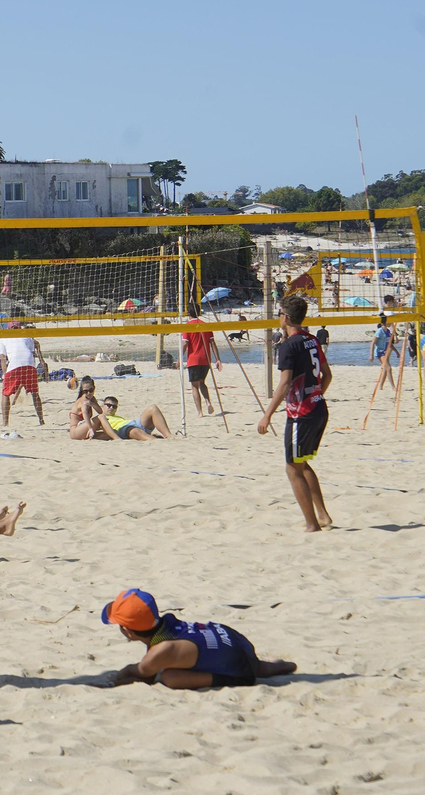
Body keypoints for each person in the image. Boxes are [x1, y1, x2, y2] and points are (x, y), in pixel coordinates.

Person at [103, 588, 296, 689]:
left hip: (237, 663)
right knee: (241, 661)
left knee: (169, 677)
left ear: (128, 631)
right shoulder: (167, 623)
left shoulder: (159, 651)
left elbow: (142, 674)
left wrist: (115, 679)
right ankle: (272, 666)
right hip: (235, 640)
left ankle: (247, 675)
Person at [257, 295, 332, 533]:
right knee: (302, 462)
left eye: (279, 312)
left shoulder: (289, 345)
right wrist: (316, 393)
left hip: (302, 412)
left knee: (292, 467)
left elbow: (284, 383)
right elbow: (327, 375)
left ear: (286, 317)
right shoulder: (312, 339)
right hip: (319, 407)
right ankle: (323, 516)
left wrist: (267, 414)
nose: (278, 316)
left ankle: (312, 525)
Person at [0, 324, 45, 437]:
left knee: (5, 393)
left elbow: (3, 359)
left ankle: (5, 422)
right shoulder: (26, 336)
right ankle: (41, 420)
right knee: (35, 393)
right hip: (29, 365)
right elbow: (31, 353)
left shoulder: (3, 338)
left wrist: (4, 375)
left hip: (16, 365)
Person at [182, 316, 220, 417]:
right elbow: (212, 343)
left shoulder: (188, 326)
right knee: (202, 382)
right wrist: (218, 359)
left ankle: (200, 412)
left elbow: (185, 343)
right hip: (205, 359)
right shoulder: (205, 325)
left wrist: (179, 358)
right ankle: (208, 402)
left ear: (188, 314)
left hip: (193, 359)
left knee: (194, 386)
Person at [98, 395, 174, 439]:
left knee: (153, 408)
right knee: (134, 430)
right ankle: (153, 440)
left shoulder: (118, 417)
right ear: (102, 406)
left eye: (114, 406)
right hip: (124, 429)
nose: (111, 408)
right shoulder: (101, 418)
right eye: (109, 405)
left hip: (133, 423)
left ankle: (168, 435)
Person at [369, 315, 396, 391]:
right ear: (385, 323)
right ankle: (393, 387)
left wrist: (396, 352)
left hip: (385, 352)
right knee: (389, 368)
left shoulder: (388, 331)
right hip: (380, 352)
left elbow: (389, 343)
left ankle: (380, 386)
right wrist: (371, 355)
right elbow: (373, 343)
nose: (391, 323)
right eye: (389, 321)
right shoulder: (380, 331)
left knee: (385, 369)